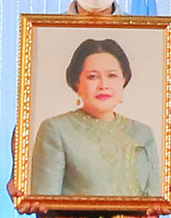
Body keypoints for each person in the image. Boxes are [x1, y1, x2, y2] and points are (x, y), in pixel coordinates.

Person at [30, 37, 161, 202]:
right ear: (77, 83)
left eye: (112, 75)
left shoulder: (142, 133)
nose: (103, 85)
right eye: (93, 77)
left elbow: (154, 200)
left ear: (124, 80)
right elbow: (45, 202)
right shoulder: (56, 130)